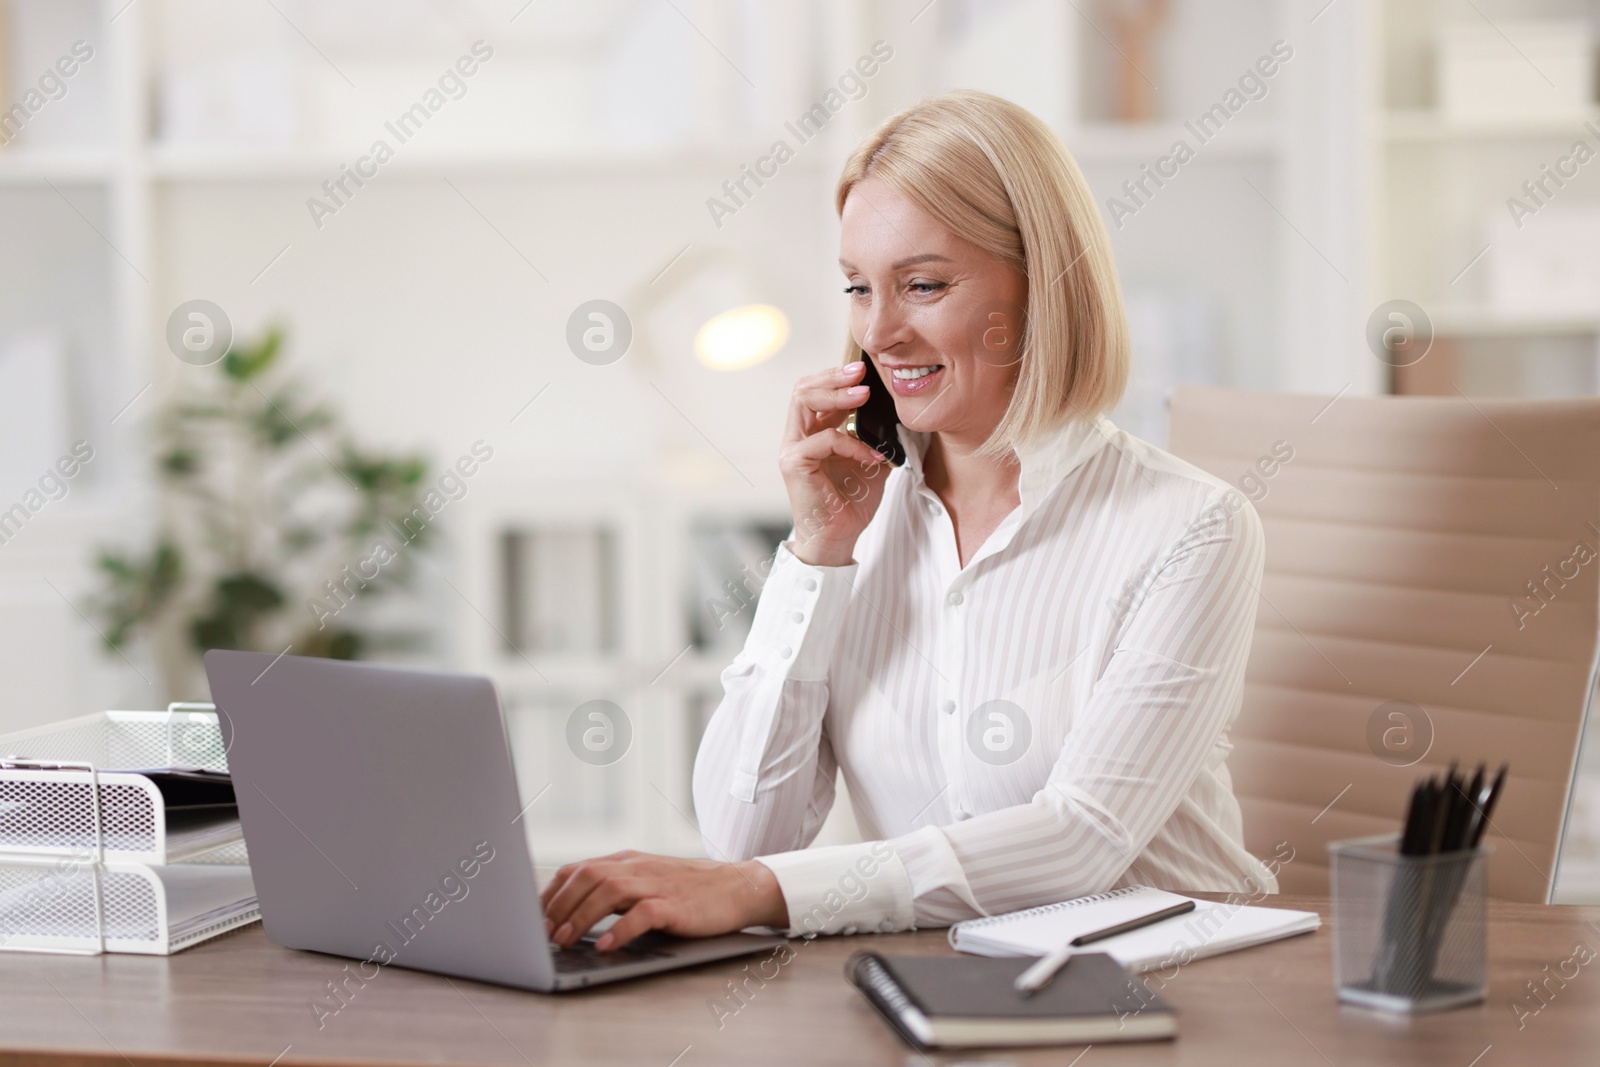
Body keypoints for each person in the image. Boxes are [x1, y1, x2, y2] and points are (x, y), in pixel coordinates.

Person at [539, 90, 1277, 952]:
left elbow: (1083, 838)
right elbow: (743, 839)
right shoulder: (860, 517)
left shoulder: (1190, 527)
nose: (879, 332)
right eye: (858, 287)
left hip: (1180, 990)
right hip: (946, 986)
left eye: (922, 284)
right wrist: (815, 557)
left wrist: (760, 891)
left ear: (1044, 285)